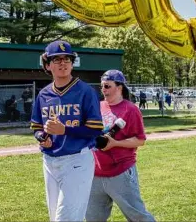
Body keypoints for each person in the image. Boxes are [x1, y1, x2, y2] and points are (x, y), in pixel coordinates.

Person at [30, 40, 104, 222]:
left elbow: (95, 129)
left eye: (67, 59)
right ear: (48, 65)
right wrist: (42, 138)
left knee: (66, 218)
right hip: (49, 161)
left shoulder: (85, 91)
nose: (63, 63)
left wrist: (65, 130)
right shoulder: (44, 94)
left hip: (77, 160)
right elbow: (37, 127)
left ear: (72, 63)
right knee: (55, 216)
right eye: (57, 59)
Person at [86, 70, 155, 222]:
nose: (103, 89)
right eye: (102, 86)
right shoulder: (97, 106)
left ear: (119, 87)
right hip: (95, 173)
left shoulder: (130, 109)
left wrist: (115, 144)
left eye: (107, 86)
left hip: (120, 172)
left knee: (138, 216)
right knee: (92, 218)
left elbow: (140, 140)